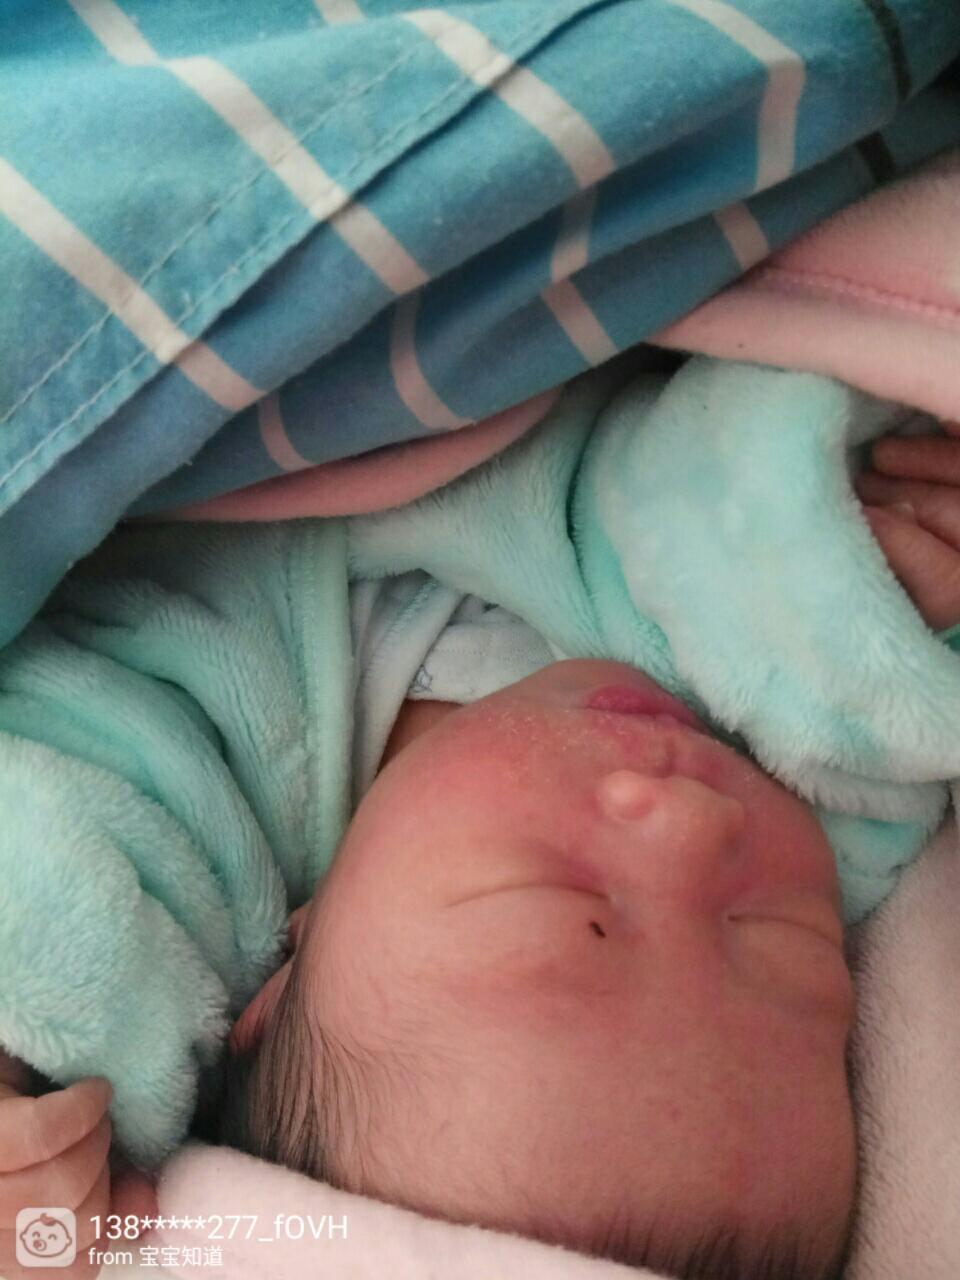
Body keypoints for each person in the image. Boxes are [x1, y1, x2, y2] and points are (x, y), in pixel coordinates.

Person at [2, 365, 960, 1280]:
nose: (696, 822)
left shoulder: (212, 790)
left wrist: (32, 1071)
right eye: (777, 936)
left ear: (280, 984)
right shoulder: (781, 743)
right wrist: (867, 593)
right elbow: (860, 714)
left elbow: (54, 858)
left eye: (566, 903)